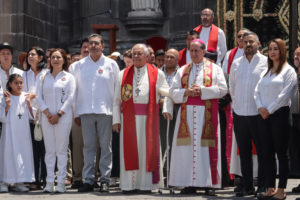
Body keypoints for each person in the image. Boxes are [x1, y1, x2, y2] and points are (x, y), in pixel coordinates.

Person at [164, 39, 227, 194]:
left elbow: (223, 89)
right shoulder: (183, 70)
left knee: (205, 150)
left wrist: (203, 91)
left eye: (196, 50)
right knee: (186, 150)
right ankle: (188, 183)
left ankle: (208, 184)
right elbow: (173, 92)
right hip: (186, 116)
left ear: (203, 51)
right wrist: (186, 92)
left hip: (206, 115)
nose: (193, 53)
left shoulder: (215, 69)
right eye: (191, 51)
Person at [112, 43, 169, 193]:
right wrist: (116, 120)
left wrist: (167, 107)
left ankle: (146, 185)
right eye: (134, 54)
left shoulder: (157, 73)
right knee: (130, 152)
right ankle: (129, 185)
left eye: (139, 54)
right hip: (128, 119)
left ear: (147, 56)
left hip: (149, 120)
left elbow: (167, 93)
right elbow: (116, 100)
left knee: (146, 152)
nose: (136, 56)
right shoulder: (122, 74)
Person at [72, 34, 120, 193]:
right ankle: (89, 180)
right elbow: (74, 91)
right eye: (90, 43)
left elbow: (116, 90)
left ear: (102, 46)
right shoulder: (77, 66)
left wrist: (116, 114)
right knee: (88, 147)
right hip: (85, 111)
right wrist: (76, 113)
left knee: (106, 147)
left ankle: (105, 179)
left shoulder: (111, 64)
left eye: (96, 43)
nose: (93, 46)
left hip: (105, 111)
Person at [254, 39, 297, 200]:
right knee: (267, 153)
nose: (272, 52)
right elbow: (256, 90)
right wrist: (260, 108)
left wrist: (269, 110)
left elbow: (284, 95)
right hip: (263, 116)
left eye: (276, 49)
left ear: (282, 51)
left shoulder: (288, 71)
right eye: (270, 49)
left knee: (281, 153)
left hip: (280, 115)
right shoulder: (267, 71)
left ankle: (282, 189)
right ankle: (270, 187)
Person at [229, 31, 267, 197]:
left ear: (258, 44)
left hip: (258, 113)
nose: (248, 44)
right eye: (245, 42)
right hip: (240, 113)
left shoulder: (266, 62)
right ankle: (247, 185)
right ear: (242, 44)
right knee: (244, 152)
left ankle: (264, 185)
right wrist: (236, 106)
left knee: (262, 151)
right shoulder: (236, 63)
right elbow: (232, 87)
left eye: (251, 42)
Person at [36, 48, 76, 193]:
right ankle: (48, 183)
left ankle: (60, 183)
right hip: (47, 118)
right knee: (50, 151)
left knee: (61, 151)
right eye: (53, 57)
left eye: (59, 57)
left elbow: (71, 97)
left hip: (63, 118)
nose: (56, 60)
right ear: (49, 60)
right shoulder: (42, 76)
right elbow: (38, 97)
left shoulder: (69, 77)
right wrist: (47, 113)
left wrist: (58, 114)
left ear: (64, 60)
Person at [0, 74, 35, 192]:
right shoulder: (5, 97)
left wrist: (29, 104)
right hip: (9, 131)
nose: (19, 85)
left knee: (23, 154)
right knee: (8, 154)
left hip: (23, 132)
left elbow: (33, 115)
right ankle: (5, 181)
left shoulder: (26, 96)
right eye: (16, 83)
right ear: (10, 84)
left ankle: (20, 181)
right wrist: (7, 105)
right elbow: (1, 117)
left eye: (21, 82)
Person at [23, 46, 48, 190]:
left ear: (41, 57)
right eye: (29, 55)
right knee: (33, 150)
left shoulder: (46, 74)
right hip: (28, 117)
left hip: (43, 115)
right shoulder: (24, 74)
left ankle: (45, 178)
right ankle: (34, 179)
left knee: (44, 149)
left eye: (33, 54)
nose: (30, 57)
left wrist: (34, 95)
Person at [292, 47, 300, 196]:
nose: (297, 57)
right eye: (295, 55)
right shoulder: (293, 74)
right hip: (295, 116)